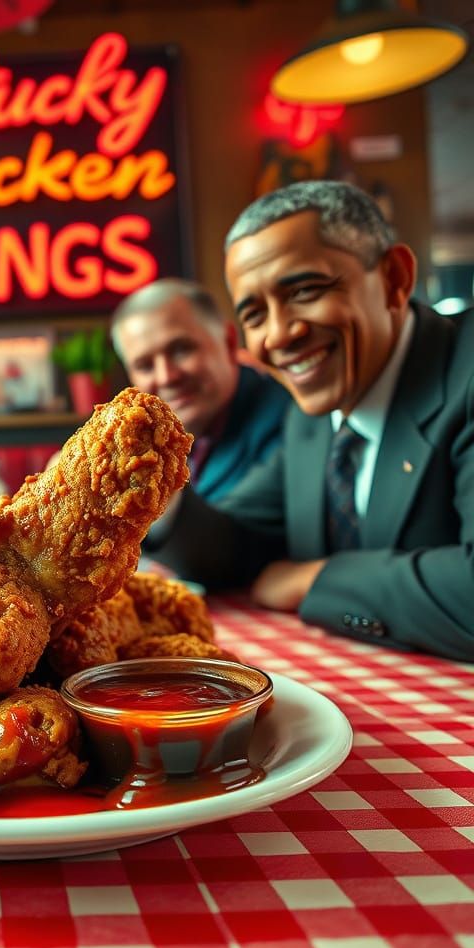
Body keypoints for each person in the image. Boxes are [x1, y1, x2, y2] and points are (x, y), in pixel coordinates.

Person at [149, 180, 474, 660]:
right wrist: (152, 481)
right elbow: (234, 541)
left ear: (394, 279)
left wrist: (314, 580)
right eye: (255, 315)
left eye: (304, 290)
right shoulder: (314, 418)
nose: (279, 334)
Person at [111, 278, 290, 500]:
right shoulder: (146, 444)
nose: (166, 377)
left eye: (181, 350)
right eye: (145, 365)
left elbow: (234, 529)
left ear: (229, 342)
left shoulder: (288, 427)